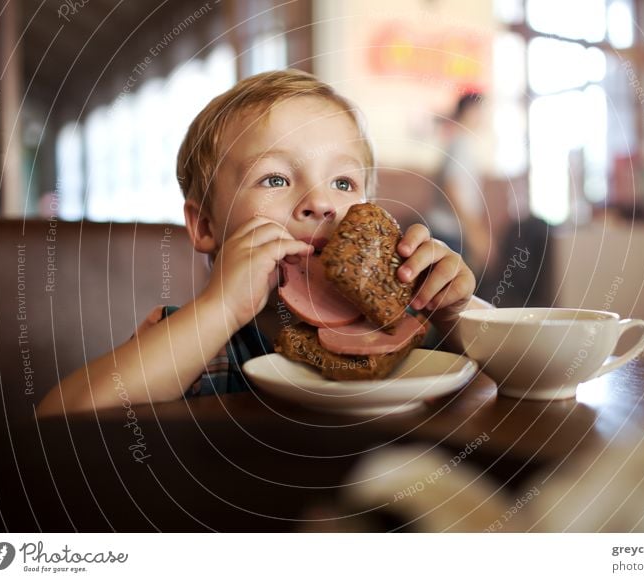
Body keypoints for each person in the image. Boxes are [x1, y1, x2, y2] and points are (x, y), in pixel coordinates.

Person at [37, 70, 492, 416]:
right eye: (274, 178)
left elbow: (525, 380)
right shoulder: (195, 338)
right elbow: (63, 418)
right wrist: (220, 308)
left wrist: (457, 313)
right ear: (206, 226)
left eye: (344, 182)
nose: (319, 202)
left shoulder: (405, 321)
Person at [427, 92, 492, 275]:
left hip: (451, 232)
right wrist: (475, 233)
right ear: (470, 111)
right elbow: (451, 189)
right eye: (481, 111)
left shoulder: (460, 143)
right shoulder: (461, 144)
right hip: (448, 233)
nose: (484, 118)